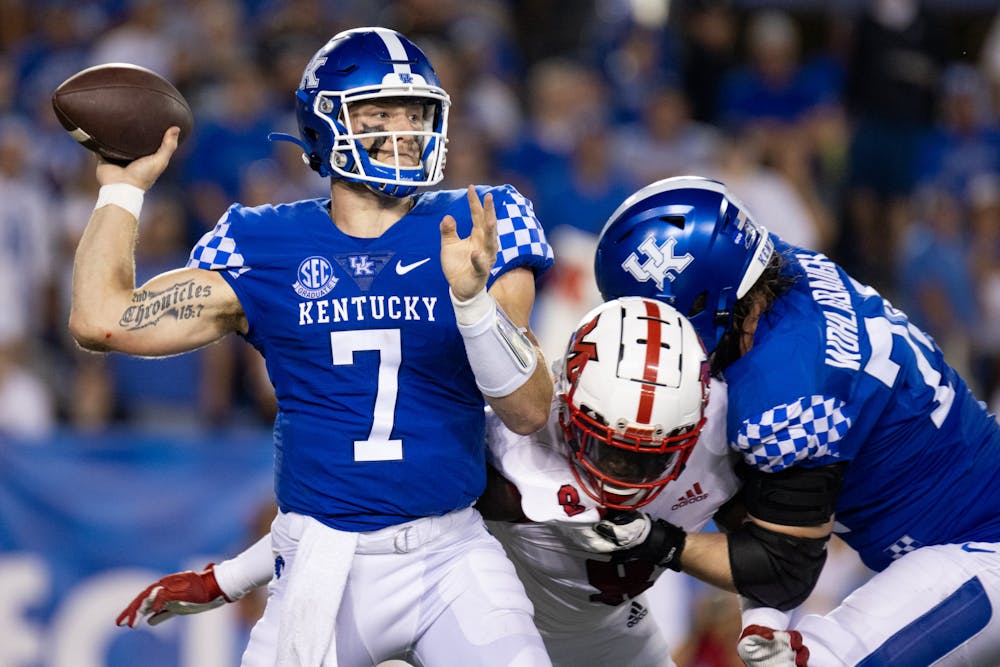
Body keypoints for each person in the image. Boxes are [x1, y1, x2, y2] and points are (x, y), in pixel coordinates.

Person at [69, 26, 555, 667]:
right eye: (379, 112)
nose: (404, 129)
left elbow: (527, 409)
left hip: (452, 555)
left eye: (415, 112)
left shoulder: (478, 219)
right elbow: (101, 320)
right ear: (326, 124)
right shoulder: (264, 241)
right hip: (322, 559)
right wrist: (122, 188)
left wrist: (472, 304)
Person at [115, 296, 743, 667]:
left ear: (693, 423)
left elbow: (779, 557)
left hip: (611, 635)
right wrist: (227, 578)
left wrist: (681, 551)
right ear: (566, 395)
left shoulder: (726, 438)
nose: (622, 473)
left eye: (646, 457)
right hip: (475, 615)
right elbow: (349, 521)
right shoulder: (503, 448)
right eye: (608, 444)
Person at [591, 175, 1000, 666]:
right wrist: (763, 618)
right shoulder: (773, 270)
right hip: (949, 518)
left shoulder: (783, 396)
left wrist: (659, 542)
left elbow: (783, 572)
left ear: (706, 303)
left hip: (979, 545)